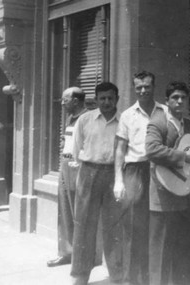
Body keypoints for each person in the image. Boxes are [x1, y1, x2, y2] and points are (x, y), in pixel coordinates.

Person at [145, 81, 190, 285]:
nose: (179, 101)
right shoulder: (158, 122)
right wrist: (182, 156)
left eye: (183, 98)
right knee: (161, 252)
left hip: (187, 195)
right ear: (167, 101)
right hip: (163, 196)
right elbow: (151, 150)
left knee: (186, 250)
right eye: (175, 97)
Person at [113, 71, 164, 284]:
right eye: (138, 87)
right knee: (133, 227)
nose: (143, 91)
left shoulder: (164, 112)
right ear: (134, 88)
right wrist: (118, 180)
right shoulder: (127, 115)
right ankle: (130, 280)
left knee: (156, 226)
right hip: (134, 170)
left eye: (147, 86)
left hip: (159, 170)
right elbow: (120, 149)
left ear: (154, 87)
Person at [70, 82, 123, 285]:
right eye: (102, 98)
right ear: (96, 99)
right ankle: (81, 276)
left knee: (114, 226)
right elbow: (75, 150)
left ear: (116, 99)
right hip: (89, 172)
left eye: (110, 98)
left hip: (114, 174)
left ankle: (117, 275)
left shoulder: (124, 121)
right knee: (84, 225)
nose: (107, 102)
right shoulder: (85, 120)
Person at [47, 87, 88, 268]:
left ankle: (82, 256)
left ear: (76, 101)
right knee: (64, 211)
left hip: (78, 170)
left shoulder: (87, 119)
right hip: (65, 167)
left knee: (79, 213)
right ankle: (66, 252)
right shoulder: (71, 118)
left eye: (65, 100)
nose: (62, 103)